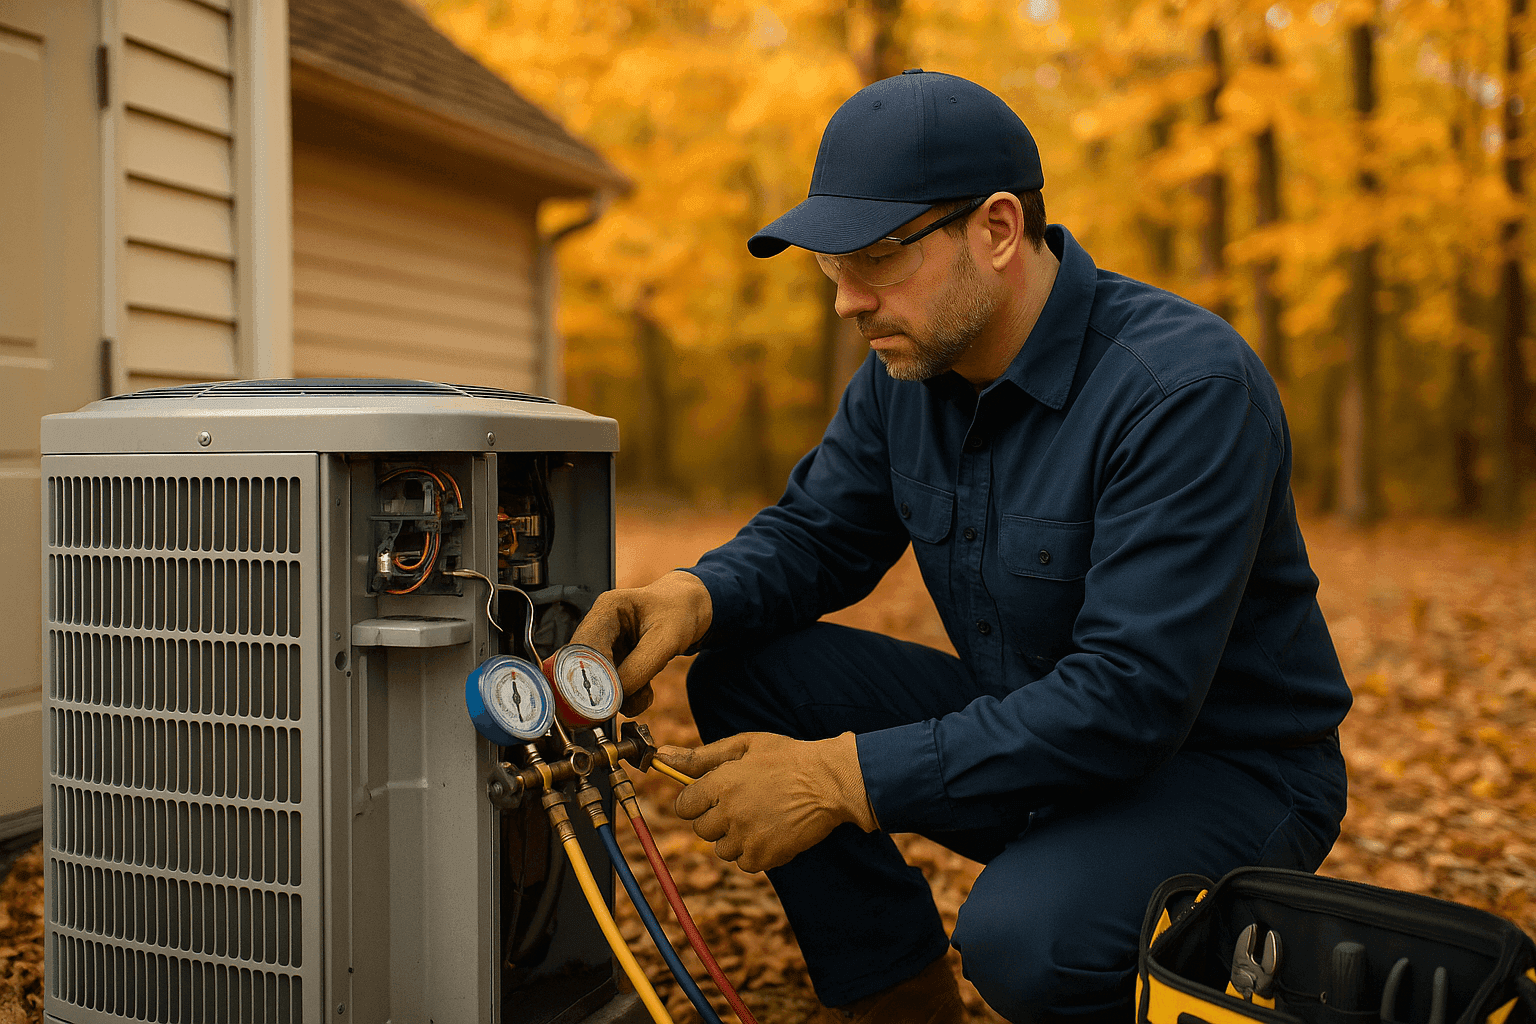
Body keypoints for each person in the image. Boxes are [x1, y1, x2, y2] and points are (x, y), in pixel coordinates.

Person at [572, 69, 1351, 1024]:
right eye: (829, 266)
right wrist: (690, 597)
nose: (845, 303)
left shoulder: (1183, 392)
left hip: (1221, 770)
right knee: (746, 667)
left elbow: (1129, 700)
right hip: (1033, 731)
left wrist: (837, 779)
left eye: (876, 260)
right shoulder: (909, 369)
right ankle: (900, 1002)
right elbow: (820, 532)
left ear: (996, 230)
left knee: (1027, 940)